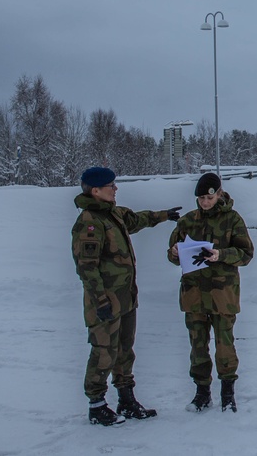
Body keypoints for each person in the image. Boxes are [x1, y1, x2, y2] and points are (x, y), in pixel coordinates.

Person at [70, 166, 182, 426]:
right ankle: (97, 406)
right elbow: (87, 268)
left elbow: (137, 220)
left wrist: (164, 215)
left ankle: (126, 400)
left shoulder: (114, 214)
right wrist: (100, 301)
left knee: (124, 351)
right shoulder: (90, 222)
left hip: (126, 299)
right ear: (95, 191)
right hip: (105, 302)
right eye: (111, 186)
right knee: (103, 353)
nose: (116, 188)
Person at [167, 172, 254, 413]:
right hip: (194, 293)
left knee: (225, 344)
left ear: (218, 194)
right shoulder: (187, 221)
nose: (204, 202)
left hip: (222, 293)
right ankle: (202, 392)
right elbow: (173, 254)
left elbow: (246, 254)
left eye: (208, 197)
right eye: (201, 198)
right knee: (197, 344)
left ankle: (228, 393)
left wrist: (221, 254)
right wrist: (174, 253)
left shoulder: (232, 219)